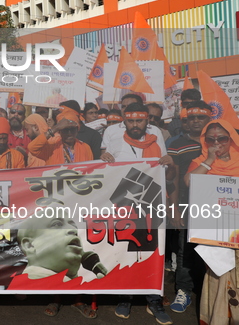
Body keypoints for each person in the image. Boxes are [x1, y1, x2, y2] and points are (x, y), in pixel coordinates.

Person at [100, 103, 174, 325]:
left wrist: (169, 164)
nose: (135, 125)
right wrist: (103, 158)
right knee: (125, 251)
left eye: (139, 121)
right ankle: (125, 298)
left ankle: (154, 300)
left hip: (151, 202)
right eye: (130, 121)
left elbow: (163, 166)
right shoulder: (112, 135)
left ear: (147, 121)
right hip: (123, 204)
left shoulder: (157, 135)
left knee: (152, 252)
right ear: (124, 120)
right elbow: (104, 168)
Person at [184, 119, 239, 324]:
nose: (217, 142)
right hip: (216, 235)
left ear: (231, 138)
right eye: (211, 139)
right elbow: (189, 181)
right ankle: (219, 318)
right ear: (205, 142)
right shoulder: (201, 161)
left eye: (222, 138)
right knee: (219, 275)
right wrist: (209, 160)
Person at [167, 102, 212, 314]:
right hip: (187, 204)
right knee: (186, 250)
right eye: (191, 117)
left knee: (214, 250)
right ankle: (183, 290)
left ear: (209, 119)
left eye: (200, 117)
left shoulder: (219, 141)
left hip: (218, 206)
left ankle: (211, 292)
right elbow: (174, 179)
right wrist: (174, 209)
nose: (195, 121)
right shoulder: (176, 143)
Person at [28, 106, 93, 165]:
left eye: (72, 129)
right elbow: (32, 148)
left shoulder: (85, 147)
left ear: (77, 130)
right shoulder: (51, 147)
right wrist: (54, 128)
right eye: (65, 129)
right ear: (59, 131)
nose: (69, 133)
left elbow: (90, 169)